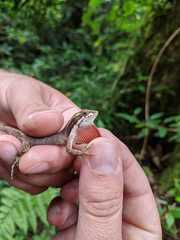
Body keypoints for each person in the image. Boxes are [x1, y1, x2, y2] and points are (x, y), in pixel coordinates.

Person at [0, 70, 162, 240]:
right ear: (78, 120)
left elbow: (70, 146)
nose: (91, 115)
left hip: (37, 139)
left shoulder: (71, 132)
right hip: (30, 141)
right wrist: (84, 151)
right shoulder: (69, 133)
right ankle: (16, 158)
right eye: (85, 114)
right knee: (21, 153)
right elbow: (70, 149)